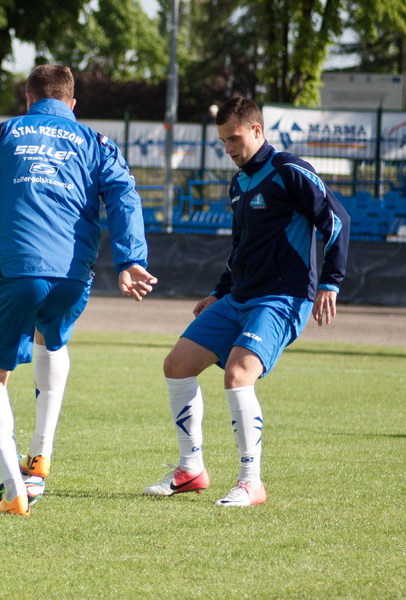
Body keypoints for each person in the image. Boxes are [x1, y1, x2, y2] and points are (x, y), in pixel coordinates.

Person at [0, 64, 157, 515]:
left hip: (17, 270)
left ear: (28, 99)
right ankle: (40, 457)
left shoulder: (5, 132)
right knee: (52, 340)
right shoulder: (98, 142)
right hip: (73, 275)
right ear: (72, 103)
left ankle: (13, 488)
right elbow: (125, 196)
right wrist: (131, 260)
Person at [143, 97, 350, 507]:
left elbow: (337, 220)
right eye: (223, 141)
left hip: (283, 297)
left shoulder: (290, 170)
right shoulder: (238, 183)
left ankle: (251, 483)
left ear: (257, 130)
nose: (228, 148)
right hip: (238, 296)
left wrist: (331, 281)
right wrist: (220, 292)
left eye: (234, 138)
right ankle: (191, 469)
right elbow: (240, 247)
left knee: (238, 375)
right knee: (177, 365)